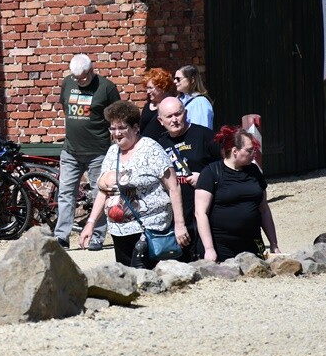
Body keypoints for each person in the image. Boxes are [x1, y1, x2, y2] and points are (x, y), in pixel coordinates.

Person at [78, 100, 189, 268]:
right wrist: (91, 224)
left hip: (148, 229)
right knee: (127, 281)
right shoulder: (112, 152)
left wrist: (180, 225)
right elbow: (104, 192)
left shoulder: (151, 149)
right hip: (119, 231)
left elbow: (173, 187)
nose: (116, 133)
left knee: (144, 279)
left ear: (135, 128)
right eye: (113, 128)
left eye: (122, 128)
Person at [56, 54, 121, 251]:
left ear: (92, 70)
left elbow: (117, 116)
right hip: (71, 151)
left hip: (98, 152)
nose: (78, 81)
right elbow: (65, 107)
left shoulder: (106, 87)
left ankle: (97, 236)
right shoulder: (67, 83)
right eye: (75, 77)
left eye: (82, 77)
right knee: (66, 193)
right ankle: (61, 237)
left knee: (99, 194)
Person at [194, 125, 279, 262]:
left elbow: (263, 209)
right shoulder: (211, 173)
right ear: (235, 151)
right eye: (250, 150)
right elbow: (200, 213)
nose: (254, 154)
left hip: (252, 242)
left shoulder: (254, 171)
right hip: (221, 245)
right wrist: (209, 249)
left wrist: (274, 244)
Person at [156, 96, 222, 261]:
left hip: (206, 210)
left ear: (185, 113)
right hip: (177, 213)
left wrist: (205, 176)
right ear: (160, 120)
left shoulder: (205, 135)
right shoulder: (160, 144)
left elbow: (226, 166)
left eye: (178, 114)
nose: (174, 120)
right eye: (169, 116)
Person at [173, 65, 214, 129]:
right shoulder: (179, 99)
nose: (175, 81)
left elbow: (200, 130)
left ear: (192, 80)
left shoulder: (200, 102)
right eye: (174, 78)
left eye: (178, 79)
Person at [139, 68, 174, 140]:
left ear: (161, 87)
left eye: (150, 88)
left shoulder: (172, 105)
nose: (148, 92)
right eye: (147, 88)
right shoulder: (147, 106)